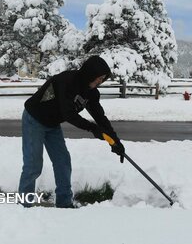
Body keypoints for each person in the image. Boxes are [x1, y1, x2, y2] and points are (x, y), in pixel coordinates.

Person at [18, 56, 125, 208]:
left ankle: (64, 202)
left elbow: (100, 118)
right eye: (99, 78)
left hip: (52, 123)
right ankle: (24, 204)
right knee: (33, 165)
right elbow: (69, 114)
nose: (100, 82)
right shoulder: (66, 81)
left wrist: (115, 141)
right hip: (34, 118)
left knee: (63, 161)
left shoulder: (91, 93)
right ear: (90, 73)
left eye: (103, 79)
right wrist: (94, 129)